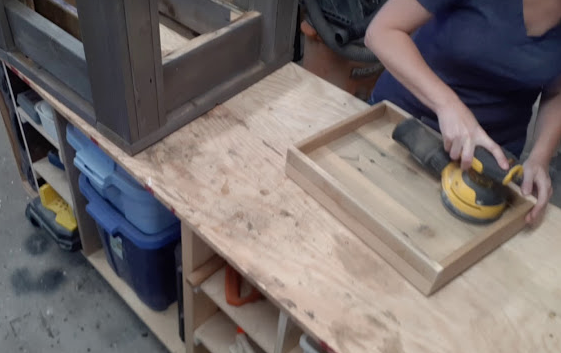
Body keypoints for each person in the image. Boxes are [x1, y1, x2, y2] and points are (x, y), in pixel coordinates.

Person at [365, 0, 561, 224]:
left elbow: (556, 93)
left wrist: (540, 157)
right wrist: (447, 105)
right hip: (405, 125)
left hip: (489, 164)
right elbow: (382, 31)